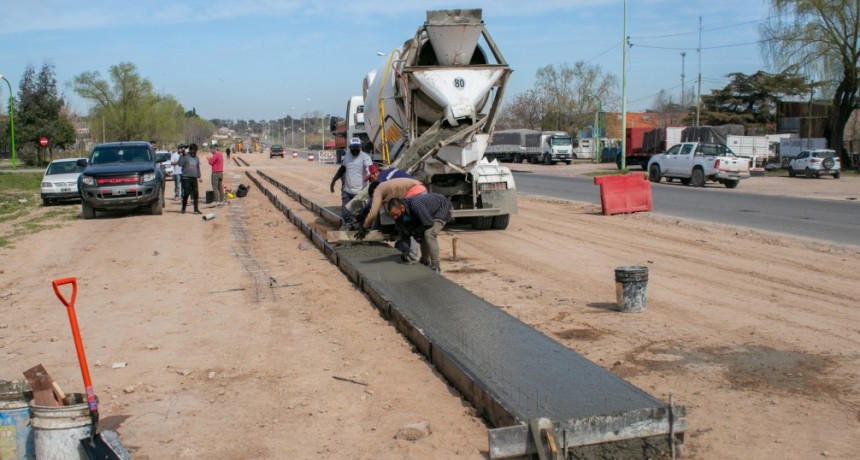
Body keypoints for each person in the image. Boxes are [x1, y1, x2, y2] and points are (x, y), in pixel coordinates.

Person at [387, 193, 453, 273]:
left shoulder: (415, 205)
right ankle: (425, 261)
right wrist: (406, 251)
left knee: (429, 234)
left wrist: (415, 231)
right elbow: (404, 234)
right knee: (421, 234)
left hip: (441, 207)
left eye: (395, 215)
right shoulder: (398, 216)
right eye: (392, 216)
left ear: (402, 208)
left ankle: (436, 266)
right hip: (428, 215)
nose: (394, 218)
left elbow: (428, 223)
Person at [330, 137, 372, 230]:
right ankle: (352, 227)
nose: (355, 149)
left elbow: (369, 168)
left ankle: (358, 229)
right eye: (353, 147)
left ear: (360, 147)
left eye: (357, 147)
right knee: (345, 214)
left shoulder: (365, 157)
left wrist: (370, 175)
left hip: (360, 193)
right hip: (348, 191)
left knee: (359, 215)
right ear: (350, 147)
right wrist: (334, 180)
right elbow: (343, 168)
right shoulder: (347, 156)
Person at [361, 177, 426, 230]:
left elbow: (373, 213)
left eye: (374, 198)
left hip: (416, 193)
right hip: (422, 190)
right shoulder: (387, 187)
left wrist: (364, 227)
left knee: (392, 208)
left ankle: (398, 229)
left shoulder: (378, 190)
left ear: (373, 193)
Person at [178, 143, 202, 214]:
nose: (195, 152)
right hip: (186, 178)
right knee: (186, 193)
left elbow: (197, 167)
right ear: (191, 150)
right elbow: (179, 164)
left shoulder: (196, 157)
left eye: (196, 151)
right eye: (194, 151)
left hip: (194, 178)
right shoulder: (185, 156)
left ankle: (196, 209)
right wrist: (181, 155)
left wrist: (199, 176)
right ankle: (183, 208)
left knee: (196, 194)